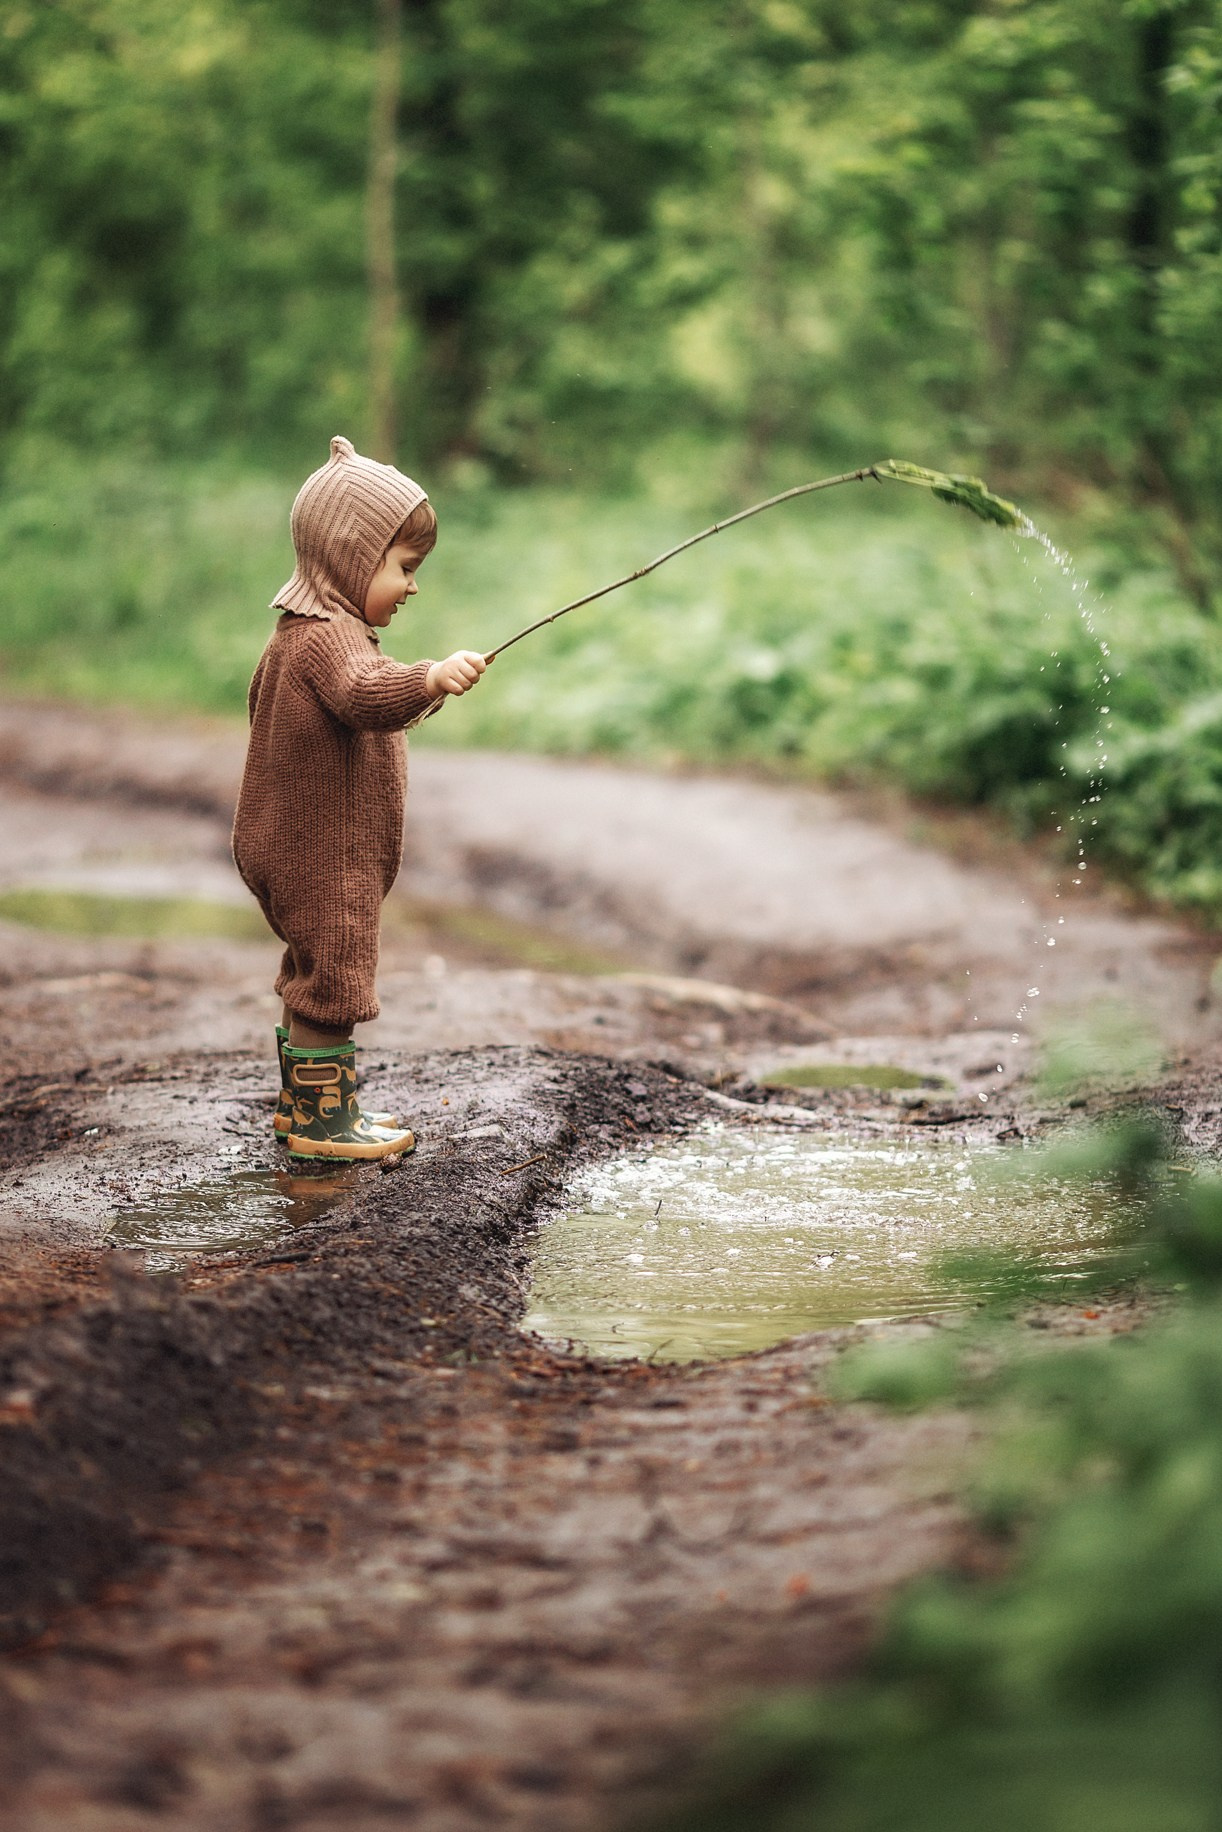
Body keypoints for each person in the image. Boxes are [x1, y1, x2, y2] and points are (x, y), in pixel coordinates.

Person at [232, 434, 487, 1161]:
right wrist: (430, 676)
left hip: (295, 842)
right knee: (335, 976)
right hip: (322, 851)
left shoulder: (298, 635)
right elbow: (366, 692)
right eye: (404, 568)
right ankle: (323, 1124)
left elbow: (350, 706)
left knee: (311, 970)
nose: (412, 586)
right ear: (351, 556)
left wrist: (421, 691)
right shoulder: (330, 640)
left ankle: (300, 1108)